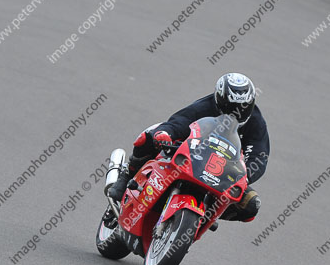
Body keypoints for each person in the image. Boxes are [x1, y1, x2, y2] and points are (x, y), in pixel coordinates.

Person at [108, 73, 268, 222]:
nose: (236, 113)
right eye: (230, 106)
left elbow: (259, 155)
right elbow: (180, 122)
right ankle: (127, 175)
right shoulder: (205, 107)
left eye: (243, 107)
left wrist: (245, 176)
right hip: (190, 153)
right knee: (148, 137)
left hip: (221, 169)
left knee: (251, 204)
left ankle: (205, 215)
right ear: (219, 99)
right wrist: (165, 133)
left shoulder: (255, 122)